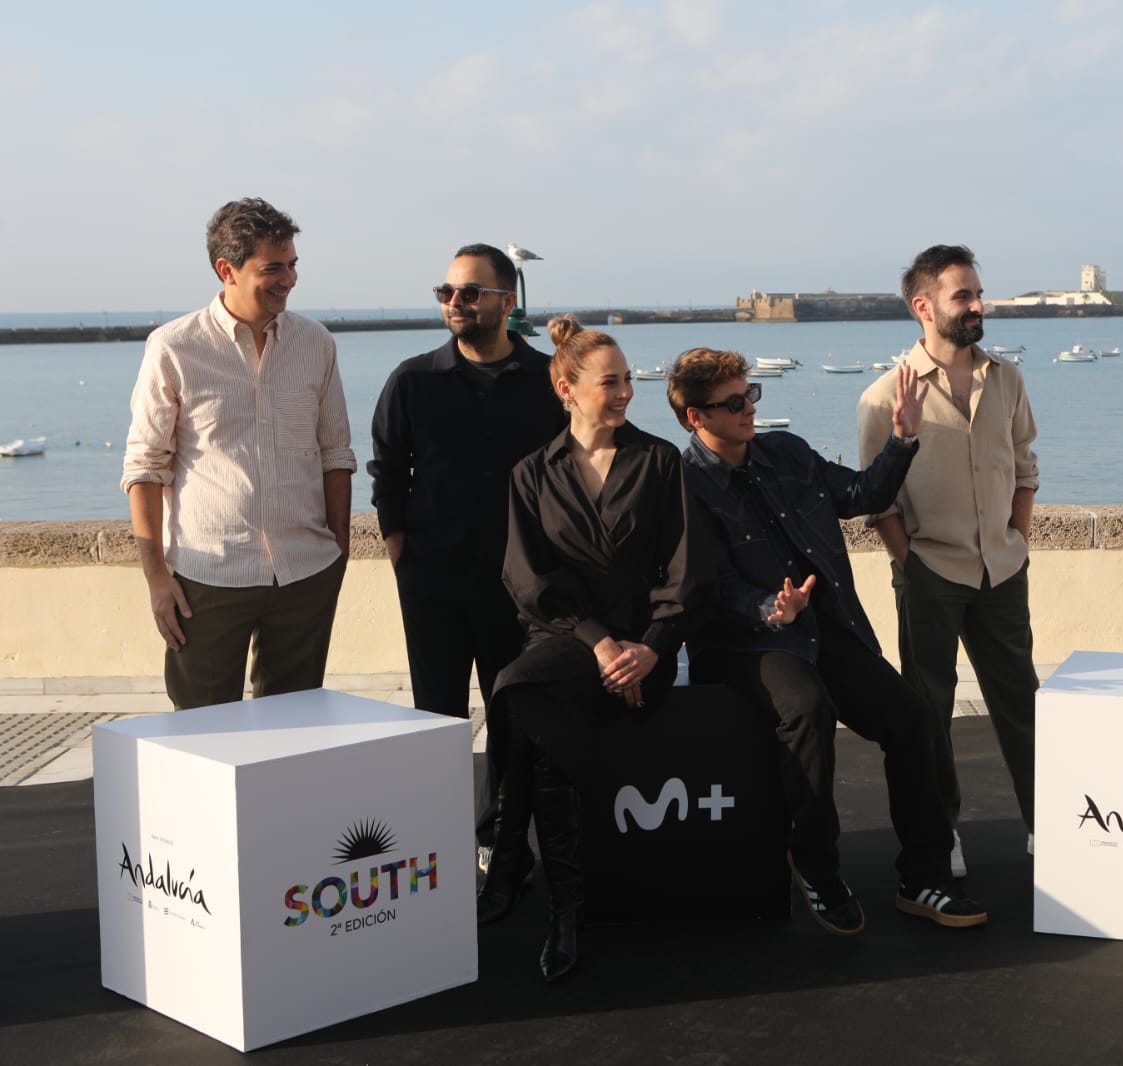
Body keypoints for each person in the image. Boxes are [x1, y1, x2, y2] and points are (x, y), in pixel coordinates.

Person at [670, 348, 986, 935]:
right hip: (746, 644)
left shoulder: (786, 453)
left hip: (826, 627)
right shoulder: (685, 485)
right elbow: (707, 585)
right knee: (807, 708)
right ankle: (817, 866)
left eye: (751, 395)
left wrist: (902, 439)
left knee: (911, 717)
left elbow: (862, 495)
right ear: (696, 418)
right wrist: (771, 607)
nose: (748, 410)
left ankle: (924, 878)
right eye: (733, 403)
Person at [487, 315, 706, 982]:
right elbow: (526, 580)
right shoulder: (531, 474)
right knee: (525, 685)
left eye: (626, 381)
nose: (625, 393)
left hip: (645, 649)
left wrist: (648, 649)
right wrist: (598, 642)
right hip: (566, 641)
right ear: (566, 388)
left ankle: (517, 865)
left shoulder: (659, 461)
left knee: (522, 702)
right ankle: (562, 907)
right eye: (609, 383)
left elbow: (687, 571)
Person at [369, 244, 565, 872]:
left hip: (521, 584)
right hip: (434, 580)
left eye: (470, 292)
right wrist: (401, 550)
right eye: (447, 292)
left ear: (509, 303)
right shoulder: (413, 380)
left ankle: (502, 846)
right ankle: (438, 847)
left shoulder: (548, 382)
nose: (455, 302)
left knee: (513, 717)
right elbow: (387, 473)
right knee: (437, 719)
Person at [122, 198, 356, 709]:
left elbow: (335, 452)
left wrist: (337, 550)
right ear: (226, 270)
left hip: (305, 572)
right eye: (273, 267)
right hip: (208, 577)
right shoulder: (173, 347)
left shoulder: (316, 344)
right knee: (202, 732)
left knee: (293, 734)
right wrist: (157, 577)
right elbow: (144, 467)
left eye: (293, 264)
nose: (289, 279)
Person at [857, 244, 1039, 877]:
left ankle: (1046, 825)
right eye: (963, 295)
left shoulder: (1007, 378)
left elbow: (1025, 468)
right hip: (930, 572)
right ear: (923, 306)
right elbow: (878, 499)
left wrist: (1014, 540)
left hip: (1002, 571)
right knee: (928, 710)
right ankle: (941, 832)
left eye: (977, 293)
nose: (978, 306)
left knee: (1022, 701)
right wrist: (911, 564)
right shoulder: (883, 398)